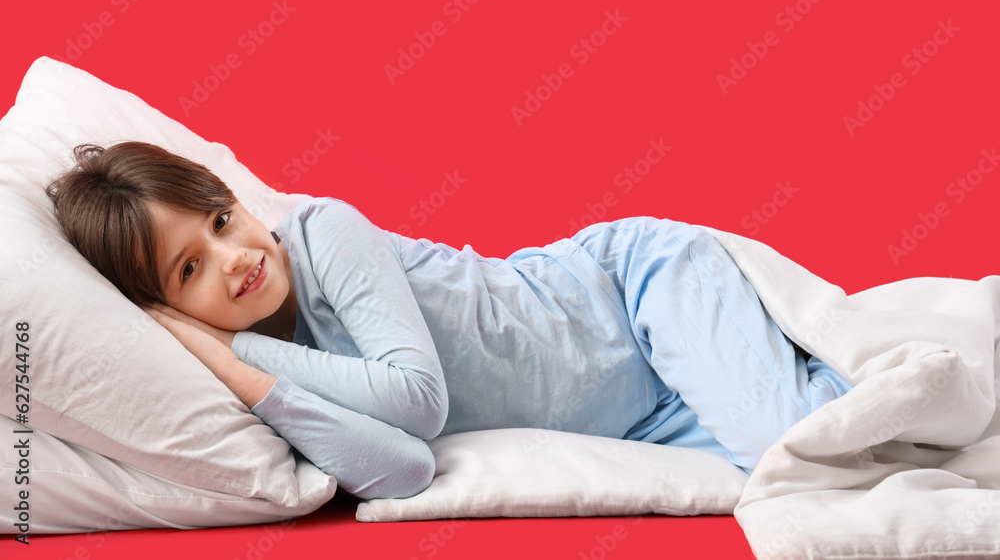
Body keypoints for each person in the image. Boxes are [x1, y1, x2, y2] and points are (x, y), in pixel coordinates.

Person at [46, 141, 853, 499]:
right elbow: (403, 469)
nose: (233, 258)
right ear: (168, 310)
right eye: (190, 269)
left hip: (630, 295)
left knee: (794, 449)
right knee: (801, 476)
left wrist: (240, 345)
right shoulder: (267, 375)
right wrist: (232, 367)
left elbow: (418, 401)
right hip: (641, 419)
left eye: (222, 220)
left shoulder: (325, 232)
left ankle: (851, 354)